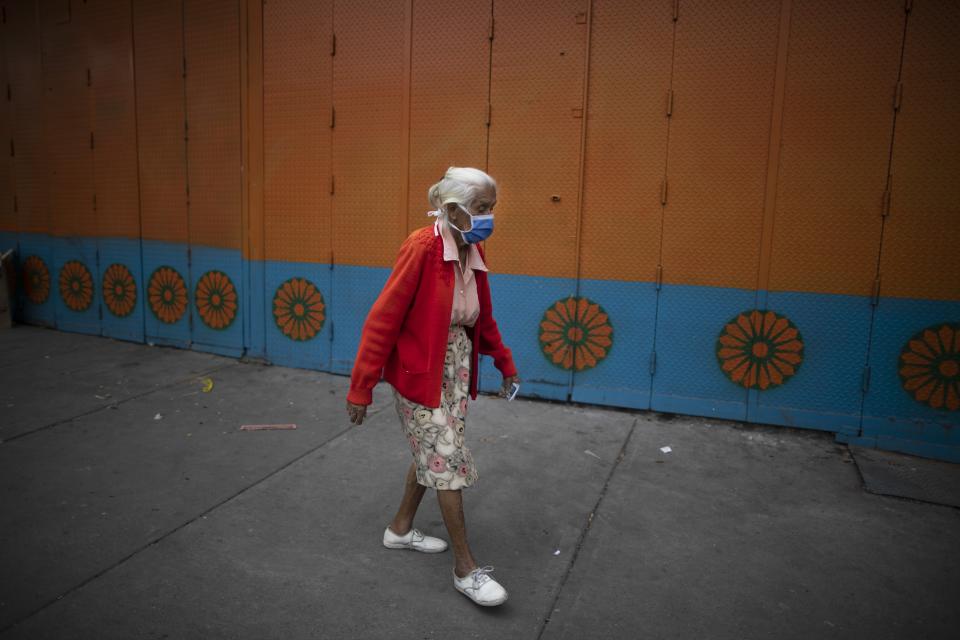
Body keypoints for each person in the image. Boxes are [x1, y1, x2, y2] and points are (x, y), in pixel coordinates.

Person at [345, 166, 519, 607]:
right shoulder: (422, 247)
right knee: (446, 458)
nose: (489, 218)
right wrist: (361, 386)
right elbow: (383, 319)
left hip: (456, 365)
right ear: (453, 209)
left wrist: (505, 363)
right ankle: (466, 569)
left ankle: (399, 529)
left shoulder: (471, 252)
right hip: (419, 370)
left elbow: (483, 315)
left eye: (492, 209)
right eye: (482, 209)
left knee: (435, 452)